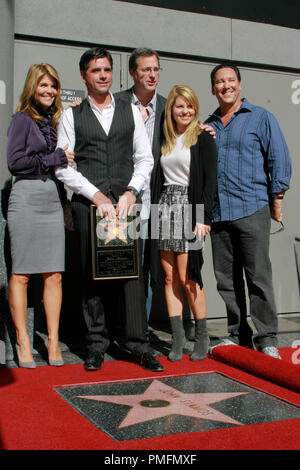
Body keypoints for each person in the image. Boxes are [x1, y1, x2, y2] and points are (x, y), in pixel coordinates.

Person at [55, 47, 164, 372]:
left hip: (127, 207)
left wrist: (131, 191)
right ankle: (97, 345)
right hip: (91, 208)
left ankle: (136, 344)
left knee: (132, 277)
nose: (102, 75)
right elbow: (63, 166)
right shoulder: (71, 114)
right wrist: (96, 196)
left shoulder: (130, 111)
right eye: (95, 70)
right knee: (93, 276)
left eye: (106, 70)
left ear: (113, 73)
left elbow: (145, 158)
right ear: (84, 76)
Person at [206, 64, 292, 359]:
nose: (225, 86)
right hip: (219, 213)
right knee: (226, 280)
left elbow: (278, 157)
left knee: (258, 276)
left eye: (230, 80)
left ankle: (267, 337)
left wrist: (276, 198)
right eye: (219, 82)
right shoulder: (209, 125)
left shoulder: (261, 118)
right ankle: (237, 334)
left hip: (252, 206)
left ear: (239, 84)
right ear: (213, 88)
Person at [6, 63, 75, 368]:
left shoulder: (57, 120)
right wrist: (55, 157)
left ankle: (53, 340)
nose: (49, 91)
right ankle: (22, 341)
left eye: (53, 86)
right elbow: (15, 162)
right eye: (43, 85)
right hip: (26, 197)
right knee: (21, 274)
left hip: (51, 198)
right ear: (32, 87)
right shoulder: (22, 119)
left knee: (54, 274)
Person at [151, 85, 217, 361]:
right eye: (180, 106)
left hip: (190, 209)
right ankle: (178, 338)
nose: (185, 111)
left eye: (190, 106)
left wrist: (204, 218)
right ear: (171, 110)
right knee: (168, 278)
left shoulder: (203, 137)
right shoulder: (164, 138)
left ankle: (201, 335)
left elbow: (210, 181)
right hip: (163, 207)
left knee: (188, 277)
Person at [114, 47, 166, 320]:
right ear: (133, 72)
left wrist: (204, 129)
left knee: (149, 270)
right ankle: (117, 329)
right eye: (146, 69)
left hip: (156, 200)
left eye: (156, 69)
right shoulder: (114, 103)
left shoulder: (168, 107)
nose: (152, 74)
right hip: (121, 199)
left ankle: (140, 330)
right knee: (118, 266)